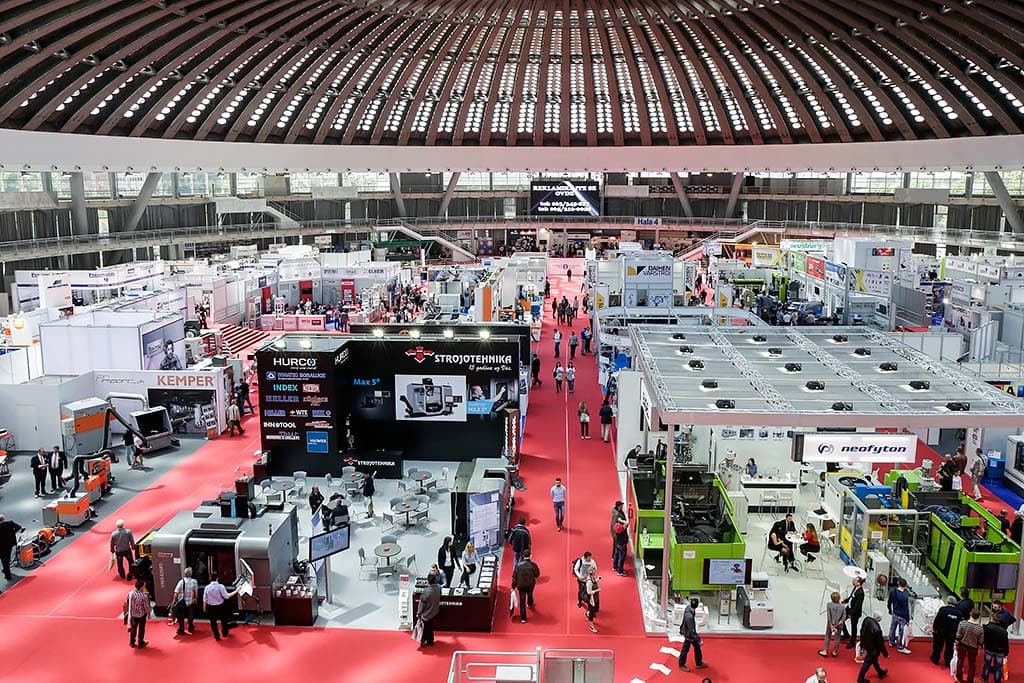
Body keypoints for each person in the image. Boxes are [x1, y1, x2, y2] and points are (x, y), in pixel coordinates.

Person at [203, 572, 239, 641]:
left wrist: (204, 608)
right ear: (217, 578)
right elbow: (227, 596)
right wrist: (236, 591)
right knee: (224, 620)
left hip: (211, 607)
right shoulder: (221, 586)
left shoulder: (207, 588)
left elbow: (205, 599)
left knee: (213, 622)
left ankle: (216, 636)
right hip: (220, 606)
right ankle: (224, 632)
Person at [930, 595, 963, 667]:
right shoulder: (959, 613)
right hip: (952, 633)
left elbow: (937, 619)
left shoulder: (943, 609)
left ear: (948, 602)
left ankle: (935, 658)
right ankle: (948, 661)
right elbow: (960, 625)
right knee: (950, 648)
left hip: (941, 632)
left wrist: (935, 628)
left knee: (938, 646)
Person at [856, 612, 889, 683]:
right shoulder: (877, 630)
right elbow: (880, 644)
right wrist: (885, 654)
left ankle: (880, 672)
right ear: (878, 619)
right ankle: (860, 678)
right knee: (868, 662)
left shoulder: (867, 620)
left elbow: (862, 631)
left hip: (866, 644)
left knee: (874, 660)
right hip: (873, 649)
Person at [677, 596, 708, 671]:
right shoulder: (689, 616)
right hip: (689, 635)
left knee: (697, 648)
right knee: (685, 650)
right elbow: (692, 630)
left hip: (689, 632)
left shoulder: (688, 608)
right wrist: (699, 639)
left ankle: (699, 663)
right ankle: (681, 664)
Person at [955, 609, 984, 683]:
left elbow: (958, 635)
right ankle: (970, 680)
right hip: (973, 648)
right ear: (978, 617)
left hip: (962, 645)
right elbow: (980, 641)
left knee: (960, 661)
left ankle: (959, 678)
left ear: (970, 614)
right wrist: (979, 648)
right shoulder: (980, 628)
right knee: (972, 664)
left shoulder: (962, 623)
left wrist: (956, 644)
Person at [512, 549, 540, 623]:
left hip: (520, 585)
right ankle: (530, 603)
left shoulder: (518, 565)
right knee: (530, 594)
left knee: (522, 600)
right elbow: (537, 574)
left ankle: (523, 618)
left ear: (523, 556)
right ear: (530, 556)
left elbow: (514, 577)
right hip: (530, 584)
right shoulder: (533, 565)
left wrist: (513, 587)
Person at [172, 567, 199, 635]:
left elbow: (176, 592)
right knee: (190, 615)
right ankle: (190, 626)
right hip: (190, 601)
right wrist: (196, 598)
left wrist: (174, 601)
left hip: (182, 602)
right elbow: (196, 591)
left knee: (181, 616)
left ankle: (181, 629)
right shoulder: (194, 581)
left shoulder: (181, 582)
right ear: (191, 574)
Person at [887, 578, 911, 653]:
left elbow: (889, 602)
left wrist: (890, 610)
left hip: (895, 613)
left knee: (892, 628)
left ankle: (891, 641)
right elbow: (906, 609)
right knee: (901, 632)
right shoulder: (904, 596)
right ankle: (900, 647)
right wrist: (907, 619)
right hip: (902, 616)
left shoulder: (892, 591)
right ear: (905, 586)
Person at [982, 616, 1009, 682]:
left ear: (992, 619)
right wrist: (1006, 653)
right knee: (998, 668)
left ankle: (985, 679)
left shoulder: (987, 627)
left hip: (989, 649)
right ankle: (997, 681)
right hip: (1000, 652)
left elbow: (984, 638)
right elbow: (1006, 643)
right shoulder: (1003, 631)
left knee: (987, 665)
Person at [125, 579, 150, 648]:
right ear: (141, 587)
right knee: (141, 628)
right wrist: (148, 614)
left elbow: (127, 602)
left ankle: (132, 642)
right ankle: (140, 642)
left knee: (133, 629)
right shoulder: (143, 596)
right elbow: (146, 606)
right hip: (141, 615)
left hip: (133, 614)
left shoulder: (130, 593)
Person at [820, 591, 846, 657]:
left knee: (827, 636)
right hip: (839, 624)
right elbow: (844, 616)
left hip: (830, 624)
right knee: (837, 638)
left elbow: (829, 616)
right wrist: (840, 622)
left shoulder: (829, 605)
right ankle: (835, 652)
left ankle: (825, 651)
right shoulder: (842, 606)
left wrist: (831, 624)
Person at [418, 573, 440, 646]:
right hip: (435, 611)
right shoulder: (438, 588)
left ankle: (427, 640)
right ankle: (429, 640)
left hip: (427, 614)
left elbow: (421, 604)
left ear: (428, 581)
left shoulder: (426, 591)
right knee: (429, 626)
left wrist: (419, 613)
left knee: (426, 627)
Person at [843, 576, 866, 649]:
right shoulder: (855, 588)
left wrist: (851, 614)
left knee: (853, 627)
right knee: (841, 620)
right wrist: (845, 601)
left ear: (859, 583)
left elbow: (857, 605)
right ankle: (846, 634)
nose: (853, 581)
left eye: (855, 580)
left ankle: (852, 641)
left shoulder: (860, 593)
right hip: (849, 608)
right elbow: (851, 597)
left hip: (854, 612)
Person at [0, 514, 23, 580]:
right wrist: (13, 532)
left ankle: (8, 575)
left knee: (4, 560)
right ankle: (6, 570)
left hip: (1, 546)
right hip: (9, 544)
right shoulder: (10, 523)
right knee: (7, 558)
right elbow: (19, 527)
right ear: (4, 519)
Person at [582, 564, 601, 632]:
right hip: (591, 599)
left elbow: (594, 582)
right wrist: (597, 590)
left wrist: (597, 580)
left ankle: (587, 613)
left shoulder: (592, 578)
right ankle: (591, 626)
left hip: (595, 597)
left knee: (594, 609)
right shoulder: (589, 581)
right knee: (592, 613)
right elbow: (589, 592)